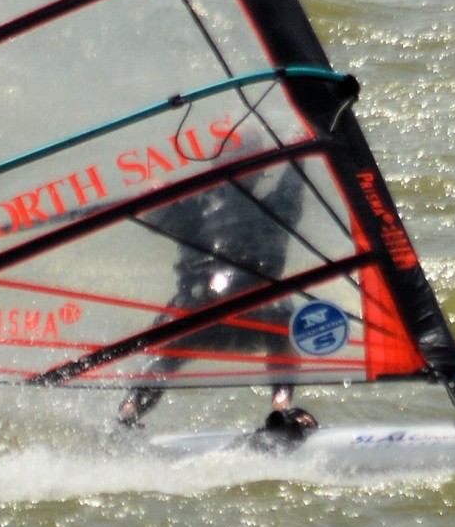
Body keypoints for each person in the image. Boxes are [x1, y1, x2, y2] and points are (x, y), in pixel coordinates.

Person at [116, 162, 316, 442]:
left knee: (167, 349)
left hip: (196, 317)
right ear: (260, 171)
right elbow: (294, 178)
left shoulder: (191, 212)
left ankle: (130, 410)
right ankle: (282, 406)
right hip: (258, 317)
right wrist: (300, 150)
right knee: (282, 320)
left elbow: (156, 208)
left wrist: (152, 185)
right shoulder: (278, 209)